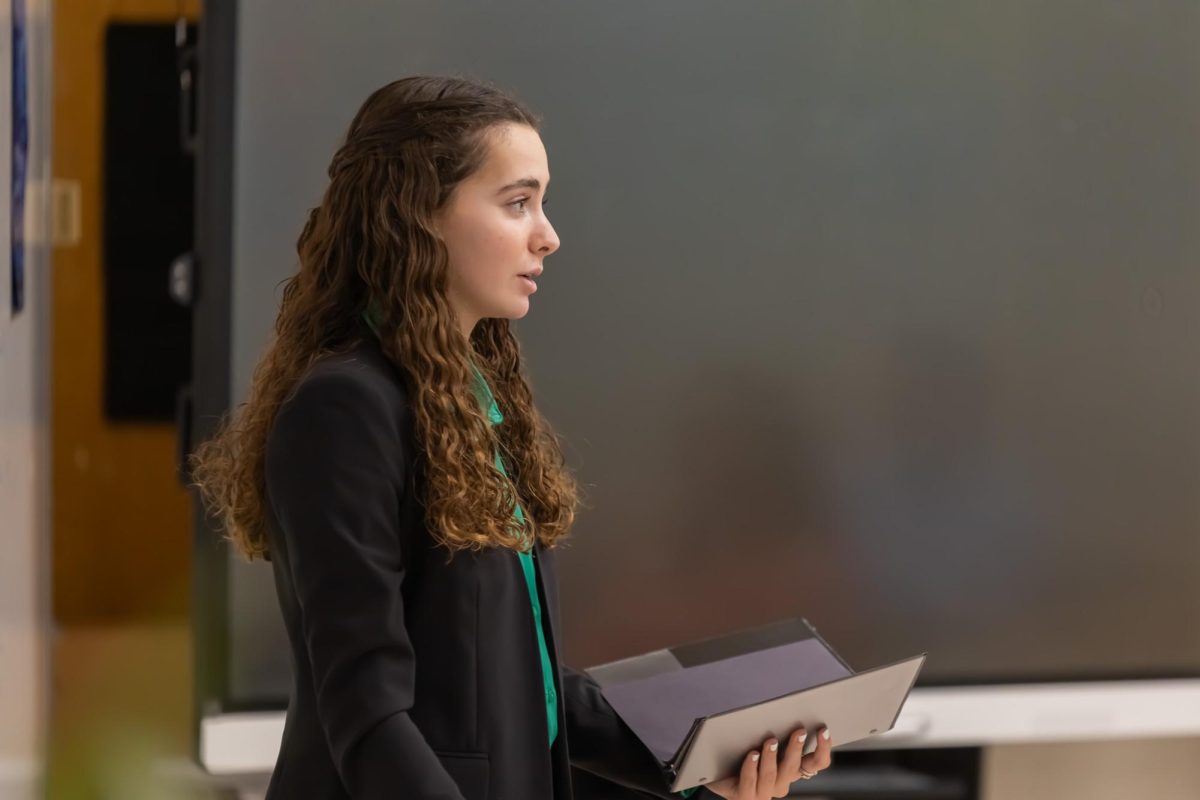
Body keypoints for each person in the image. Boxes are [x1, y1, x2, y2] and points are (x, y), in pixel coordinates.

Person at [190, 75, 832, 800]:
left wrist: (704, 760)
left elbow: (524, 685)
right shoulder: (344, 410)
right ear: (420, 213)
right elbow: (365, 710)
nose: (548, 235)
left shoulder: (470, 405)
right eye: (518, 202)